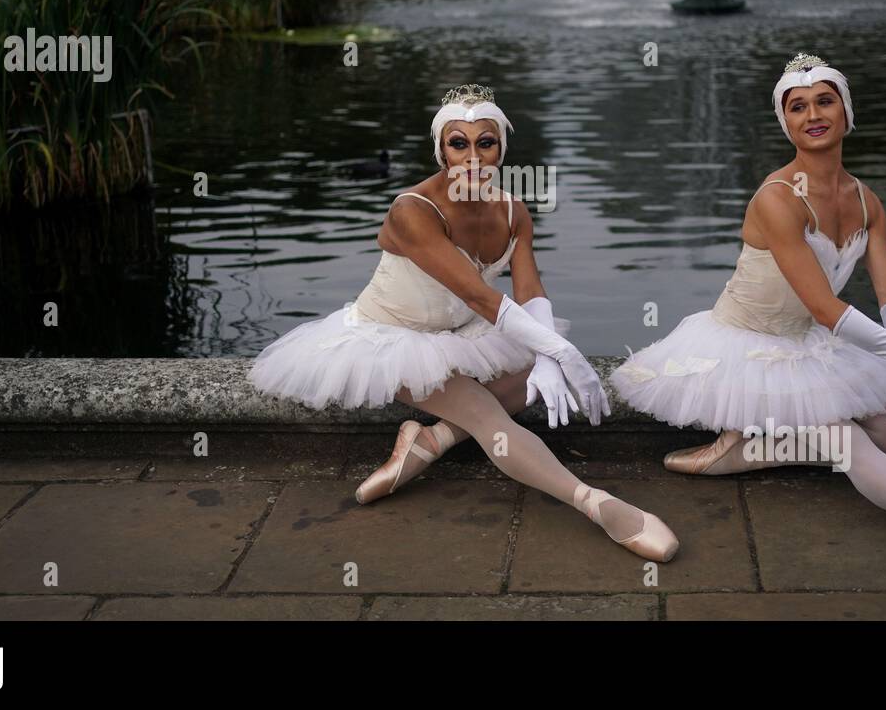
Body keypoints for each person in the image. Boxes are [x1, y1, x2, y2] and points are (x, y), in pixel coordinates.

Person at [608, 54, 886, 608]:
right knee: (847, 442)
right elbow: (824, 307)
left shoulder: (867, 200)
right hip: (749, 350)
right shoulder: (777, 199)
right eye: (798, 107)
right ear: (786, 122)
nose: (813, 114)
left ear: (846, 111)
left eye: (825, 100)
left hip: (813, 344)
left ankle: (760, 447)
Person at [250, 84, 679, 562]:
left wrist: (549, 354)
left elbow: (529, 292)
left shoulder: (513, 210)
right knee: (487, 414)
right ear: (440, 149)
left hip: (461, 333)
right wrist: (559, 351)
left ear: (502, 148)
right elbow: (478, 294)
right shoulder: (412, 210)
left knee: (530, 380)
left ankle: (431, 438)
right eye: (459, 143)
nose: (473, 157)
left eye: (485, 143)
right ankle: (597, 505)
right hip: (394, 338)